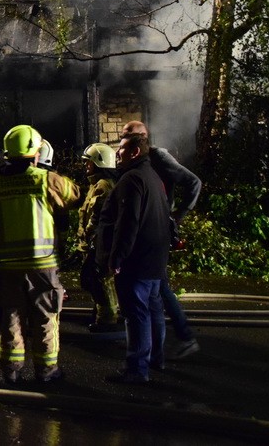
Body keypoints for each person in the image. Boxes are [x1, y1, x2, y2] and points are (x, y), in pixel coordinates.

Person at [0, 125, 81, 384]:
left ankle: (10, 370)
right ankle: (47, 371)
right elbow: (75, 195)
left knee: (11, 316)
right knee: (45, 316)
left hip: (9, 264)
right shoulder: (45, 179)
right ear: (35, 152)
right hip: (42, 263)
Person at [121, 120, 202, 360]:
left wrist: (176, 218)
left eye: (130, 136)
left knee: (159, 287)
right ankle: (160, 349)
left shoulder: (159, 157)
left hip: (157, 230)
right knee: (157, 288)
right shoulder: (138, 163)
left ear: (143, 137)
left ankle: (183, 337)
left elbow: (194, 183)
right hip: (152, 229)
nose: (123, 142)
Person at [107, 133, 170, 384]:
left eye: (121, 148)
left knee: (136, 314)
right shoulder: (154, 177)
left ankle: (136, 369)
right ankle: (156, 359)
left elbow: (128, 222)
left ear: (134, 152)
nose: (117, 153)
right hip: (156, 258)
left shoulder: (131, 179)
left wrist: (117, 257)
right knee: (153, 310)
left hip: (137, 260)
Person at [76, 143, 121, 335]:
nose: (87, 167)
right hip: (98, 242)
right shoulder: (98, 184)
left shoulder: (103, 186)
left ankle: (107, 319)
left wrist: (88, 234)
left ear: (99, 163)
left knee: (100, 280)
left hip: (99, 242)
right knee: (94, 279)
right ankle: (102, 312)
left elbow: (97, 215)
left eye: (89, 163)